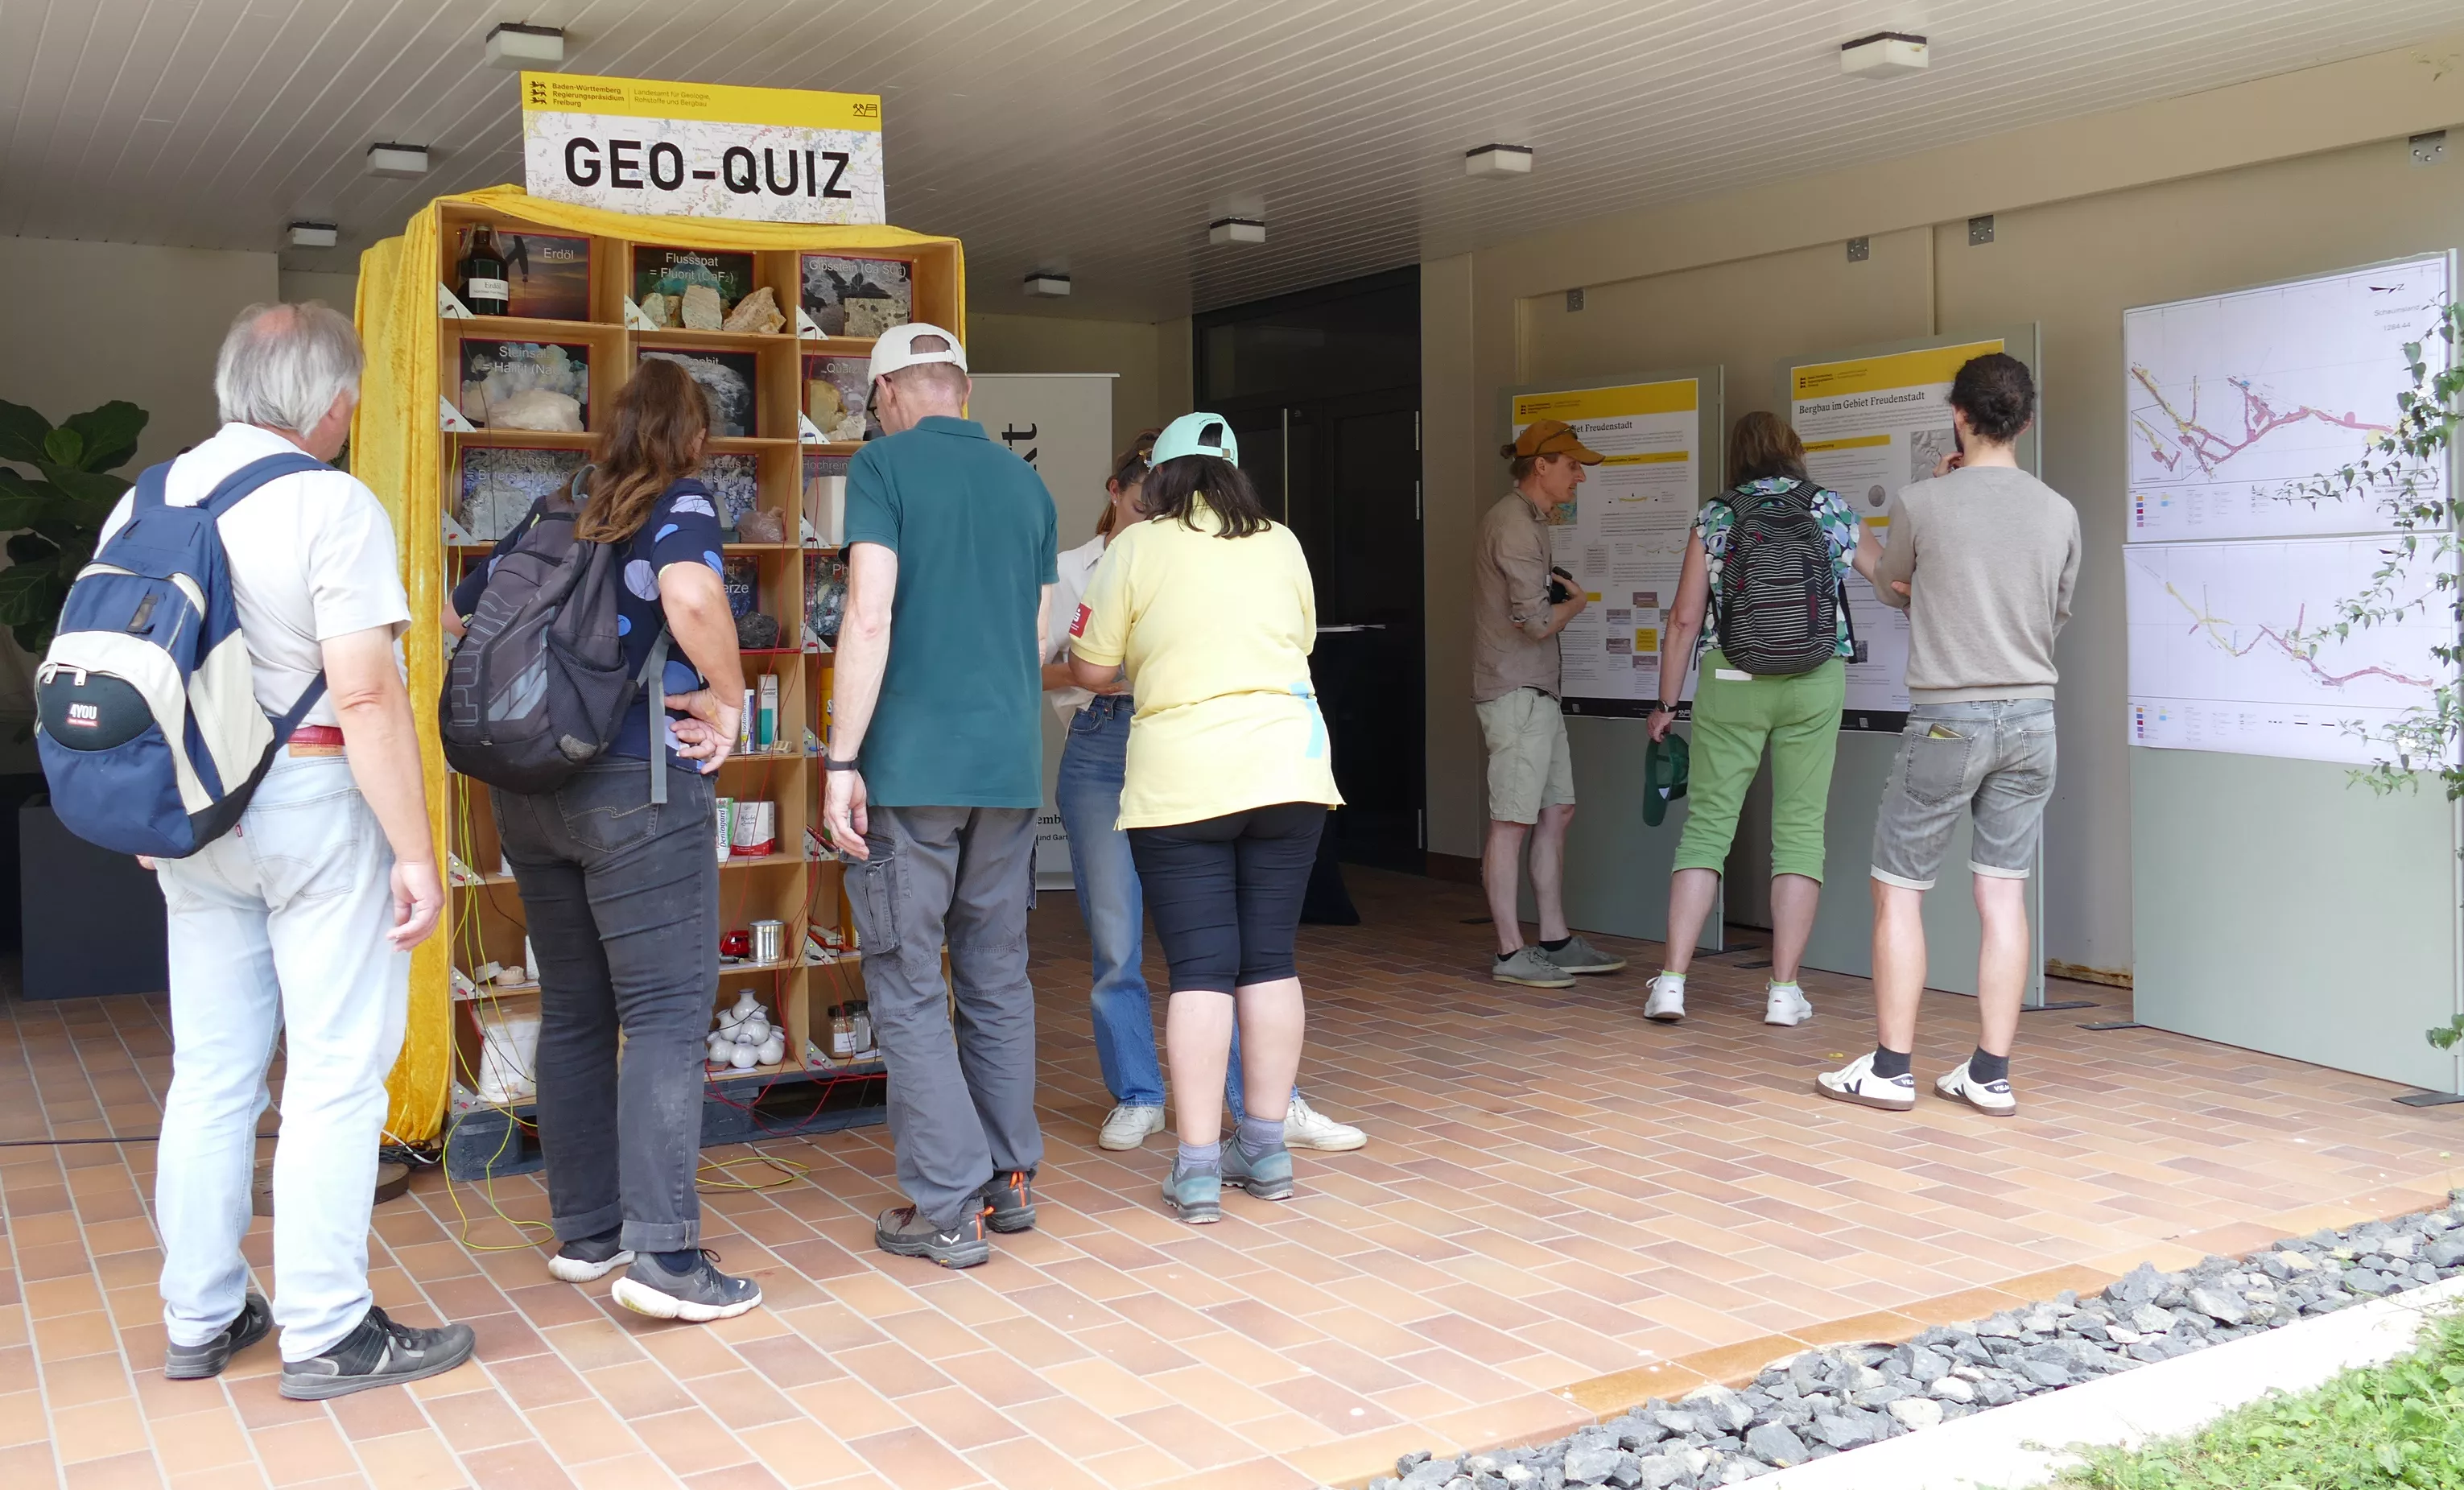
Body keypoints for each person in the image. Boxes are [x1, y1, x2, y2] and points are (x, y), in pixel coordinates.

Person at [137, 303, 473, 1398]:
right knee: (335, 1071)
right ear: (334, 404)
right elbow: (365, 692)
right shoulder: (331, 502)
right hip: (315, 802)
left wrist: (153, 805)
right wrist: (414, 851)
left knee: (213, 1071)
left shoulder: (150, 495)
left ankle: (202, 1313)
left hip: (193, 816)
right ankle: (328, 1328)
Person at [448, 357, 757, 1321]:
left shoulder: (556, 508)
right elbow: (691, 598)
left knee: (577, 1011)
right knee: (665, 1014)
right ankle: (666, 1258)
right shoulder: (681, 502)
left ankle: (589, 1234)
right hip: (634, 787)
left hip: (533, 792)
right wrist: (731, 698)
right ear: (693, 438)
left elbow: (462, 612)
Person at [1045, 439, 1368, 1155]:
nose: (1152, 509)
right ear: (1117, 492)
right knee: (1118, 938)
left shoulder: (1240, 544)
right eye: (1139, 498)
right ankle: (1139, 1094)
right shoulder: (1074, 567)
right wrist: (1108, 666)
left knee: (1222, 950)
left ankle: (1258, 1105)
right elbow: (1046, 664)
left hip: (1188, 740)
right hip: (1105, 736)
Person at [823, 324, 1055, 1269]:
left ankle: (947, 1207)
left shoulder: (881, 466)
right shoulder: (1027, 486)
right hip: (1006, 770)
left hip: (912, 771)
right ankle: (1009, 1180)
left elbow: (869, 612)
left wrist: (841, 758)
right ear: (964, 389)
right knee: (996, 976)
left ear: (884, 394)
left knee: (909, 981)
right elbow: (1036, 636)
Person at [1818, 353, 2079, 1117]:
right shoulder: (2059, 511)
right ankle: (1989, 1074)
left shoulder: (1921, 501)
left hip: (1946, 718)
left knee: (1898, 890)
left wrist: (1919, 574)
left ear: (1957, 415)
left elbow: (1894, 583)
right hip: (2032, 717)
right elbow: (2055, 611)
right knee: (2001, 892)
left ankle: (1891, 1067)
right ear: (2025, 421)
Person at [1642, 413, 1882, 1026]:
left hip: (1732, 677)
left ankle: (1671, 983)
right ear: (1792, 449)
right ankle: (1782, 991)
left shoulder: (1716, 514)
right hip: (1814, 678)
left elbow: (1683, 619)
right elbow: (1891, 581)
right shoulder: (1827, 507)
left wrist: (1666, 704)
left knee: (1706, 829)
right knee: (1799, 832)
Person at [1472, 420, 1628, 988]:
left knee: (1556, 810)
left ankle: (1556, 940)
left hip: (1536, 691)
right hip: (1515, 691)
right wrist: (1577, 604)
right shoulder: (1513, 524)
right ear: (1541, 465)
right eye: (1572, 464)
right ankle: (1510, 952)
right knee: (1510, 823)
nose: (1580, 476)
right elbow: (1536, 623)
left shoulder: (1531, 521)